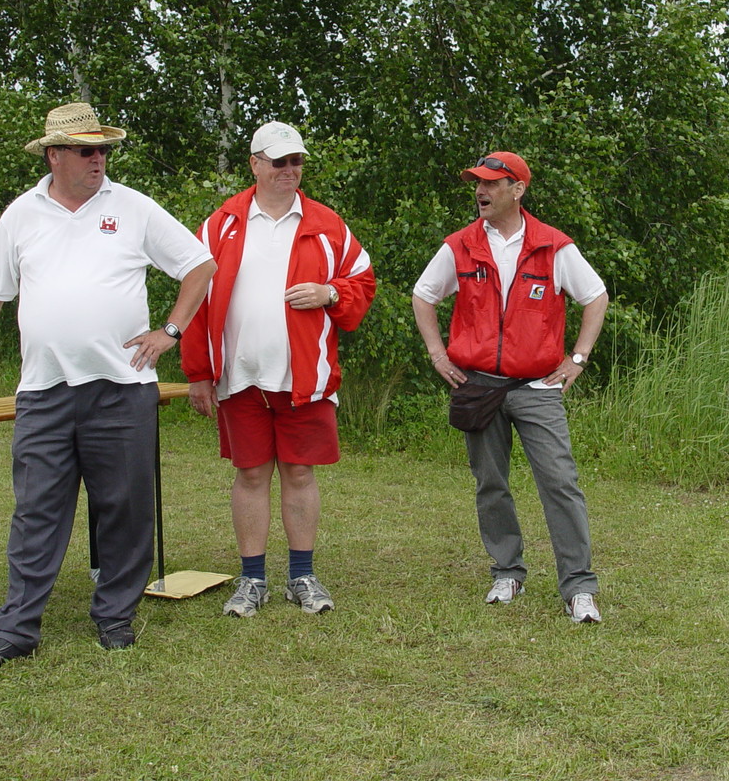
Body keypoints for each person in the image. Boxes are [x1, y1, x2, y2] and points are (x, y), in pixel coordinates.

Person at [0, 102, 216, 670]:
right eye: (85, 150)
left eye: (103, 150)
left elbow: (199, 265)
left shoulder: (134, 207)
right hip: (44, 391)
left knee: (124, 505)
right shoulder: (21, 214)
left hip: (122, 388)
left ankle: (115, 616)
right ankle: (16, 631)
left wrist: (170, 331)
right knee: (37, 510)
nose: (98, 159)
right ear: (54, 155)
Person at [181, 121, 375, 617]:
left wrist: (330, 293)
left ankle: (302, 576)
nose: (290, 170)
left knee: (300, 471)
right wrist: (199, 372)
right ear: (255, 164)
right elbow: (195, 300)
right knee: (249, 475)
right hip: (239, 376)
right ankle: (251, 581)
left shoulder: (327, 224)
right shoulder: (220, 224)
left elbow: (362, 281)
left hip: (303, 376)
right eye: (279, 161)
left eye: (297, 161)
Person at [412, 152, 608, 623]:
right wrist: (438, 354)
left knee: (560, 482)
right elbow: (423, 296)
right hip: (479, 385)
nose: (481, 191)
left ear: (517, 190)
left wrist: (577, 358)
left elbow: (595, 296)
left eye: (491, 184)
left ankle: (579, 586)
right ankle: (507, 571)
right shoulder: (459, 245)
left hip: (538, 386)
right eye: (477, 184)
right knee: (491, 483)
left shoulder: (553, 246)